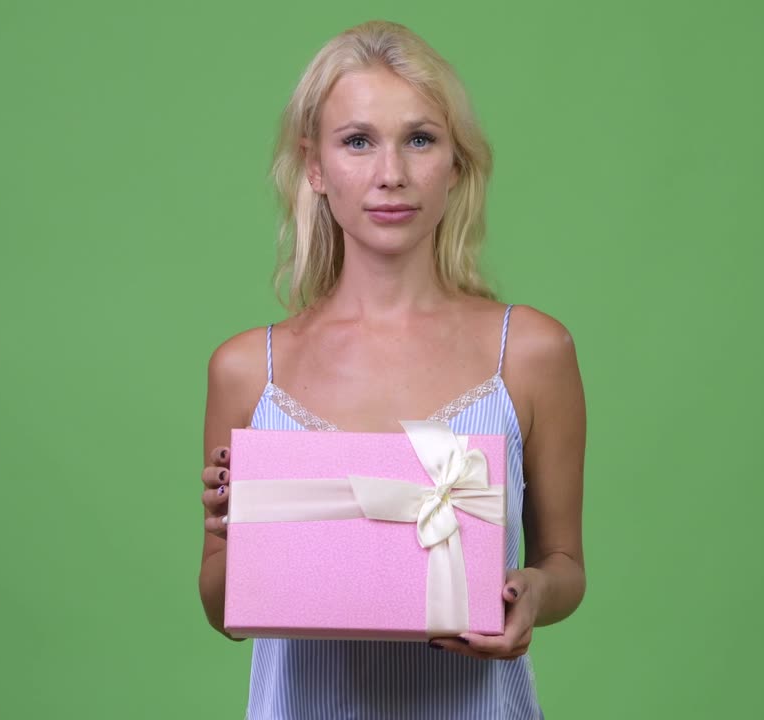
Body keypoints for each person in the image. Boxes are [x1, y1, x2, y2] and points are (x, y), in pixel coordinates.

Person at [198, 19, 586, 719]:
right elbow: (224, 610)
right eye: (358, 141)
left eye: (420, 139)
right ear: (315, 166)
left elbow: (565, 565)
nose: (391, 175)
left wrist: (532, 592)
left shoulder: (530, 353)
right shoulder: (247, 370)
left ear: (456, 164)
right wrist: (237, 536)